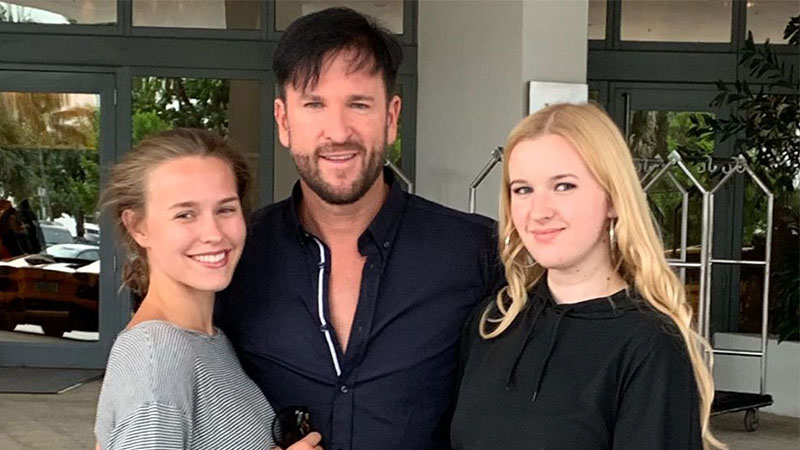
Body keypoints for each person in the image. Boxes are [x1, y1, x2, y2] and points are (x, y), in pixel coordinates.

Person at [215, 7, 502, 450]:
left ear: (391, 117)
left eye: (359, 104)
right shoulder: (237, 256)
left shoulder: (477, 253)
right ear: (284, 121)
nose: (338, 132)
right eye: (314, 104)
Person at [450, 103, 724, 450]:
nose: (539, 212)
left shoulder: (648, 345)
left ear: (613, 199)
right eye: (523, 190)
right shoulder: (494, 322)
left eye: (564, 186)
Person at [94, 128, 322, 450]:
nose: (213, 233)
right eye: (185, 214)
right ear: (137, 226)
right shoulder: (156, 354)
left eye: (225, 209)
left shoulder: (209, 340)